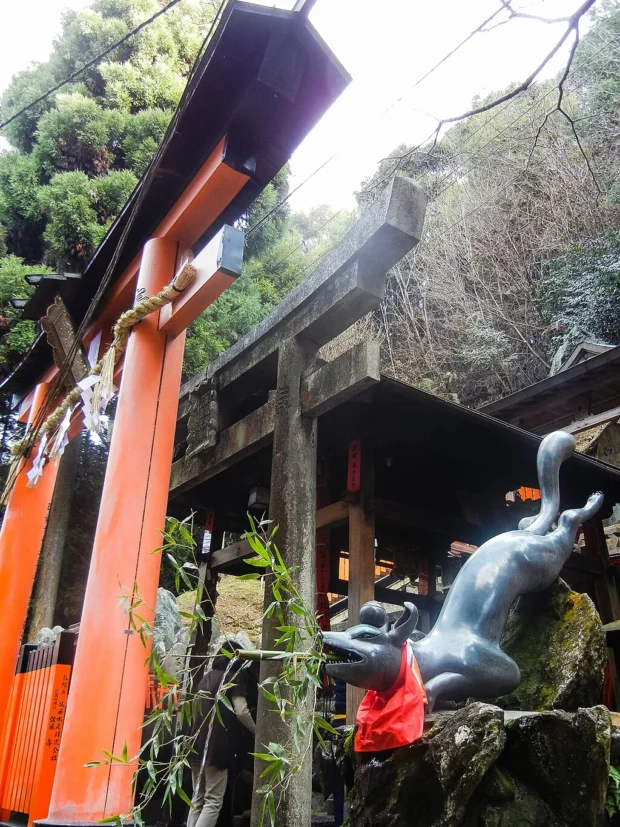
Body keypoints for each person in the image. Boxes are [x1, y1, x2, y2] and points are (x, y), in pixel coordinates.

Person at [188, 645, 256, 827]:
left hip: (194, 746)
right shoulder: (233, 677)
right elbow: (241, 710)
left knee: (197, 799)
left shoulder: (205, 679)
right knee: (212, 801)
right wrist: (256, 730)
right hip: (217, 748)